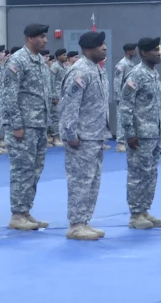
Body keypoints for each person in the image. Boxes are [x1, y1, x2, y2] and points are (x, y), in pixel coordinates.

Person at [59, 31, 110, 240]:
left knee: (92, 181)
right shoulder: (80, 71)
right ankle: (76, 224)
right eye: (100, 45)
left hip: (95, 135)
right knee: (80, 181)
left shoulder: (95, 70)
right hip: (82, 137)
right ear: (89, 48)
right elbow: (69, 106)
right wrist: (71, 134)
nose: (105, 47)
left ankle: (84, 221)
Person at [4, 23, 51, 231]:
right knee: (22, 170)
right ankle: (17, 214)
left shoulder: (40, 61)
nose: (45, 40)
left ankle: (25, 210)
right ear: (30, 38)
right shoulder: (18, 60)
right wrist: (16, 124)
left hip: (39, 125)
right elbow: (9, 95)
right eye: (41, 36)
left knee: (34, 170)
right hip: (24, 126)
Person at [118, 37, 161, 230]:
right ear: (144, 53)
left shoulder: (154, 74)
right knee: (138, 174)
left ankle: (145, 210)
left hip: (154, 133)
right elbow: (126, 105)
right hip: (140, 135)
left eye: (159, 49)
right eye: (154, 50)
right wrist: (129, 133)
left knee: (150, 174)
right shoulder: (135, 75)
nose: (158, 53)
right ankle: (136, 214)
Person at [112, 43, 137, 153]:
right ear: (128, 51)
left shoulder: (131, 63)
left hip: (130, 97)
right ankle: (120, 143)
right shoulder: (122, 64)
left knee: (129, 119)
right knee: (121, 118)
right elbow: (117, 81)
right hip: (122, 97)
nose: (135, 52)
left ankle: (127, 140)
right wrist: (118, 96)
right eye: (133, 50)